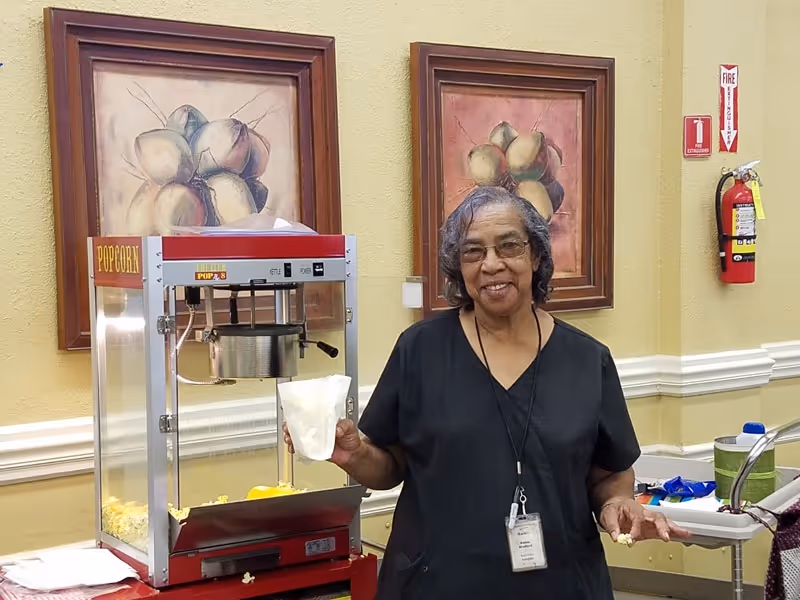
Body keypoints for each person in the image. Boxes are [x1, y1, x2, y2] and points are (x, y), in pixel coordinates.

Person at [284, 185, 690, 599]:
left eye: (508, 246)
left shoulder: (587, 360)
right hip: (438, 583)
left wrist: (616, 504)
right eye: (473, 252)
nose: (491, 264)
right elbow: (391, 466)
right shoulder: (421, 351)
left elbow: (610, 473)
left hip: (559, 584)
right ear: (458, 267)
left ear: (535, 255)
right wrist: (353, 454)